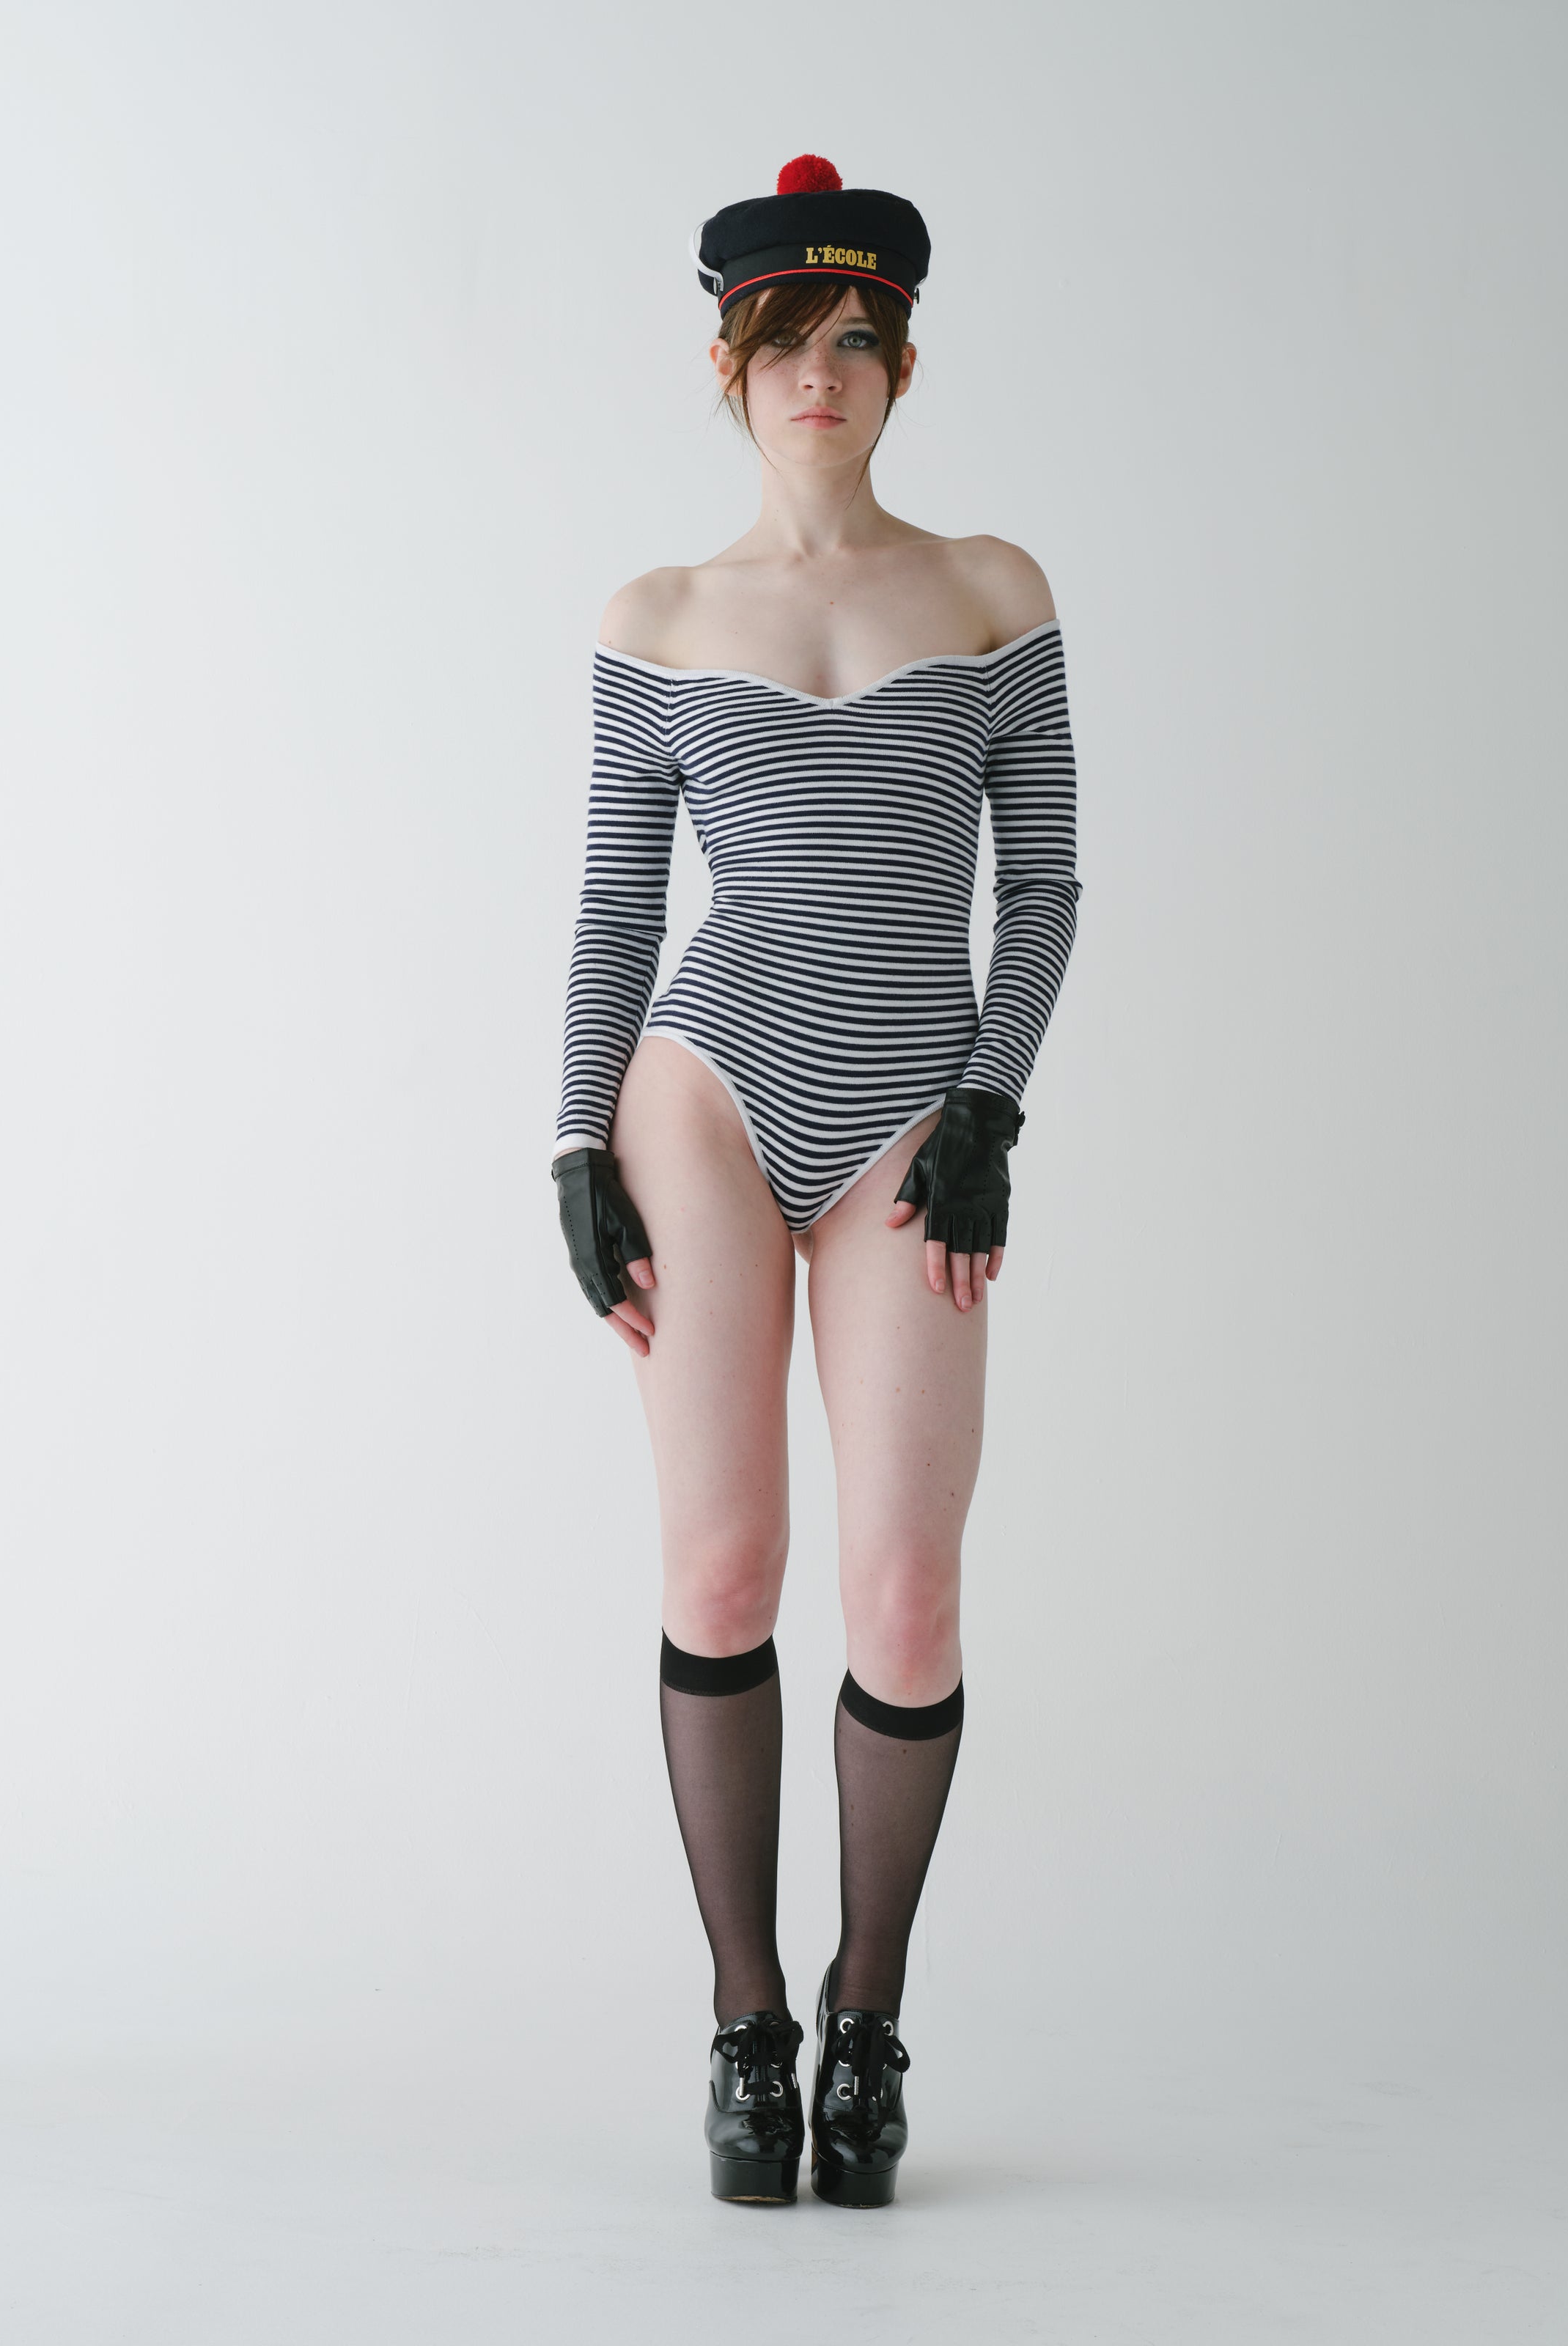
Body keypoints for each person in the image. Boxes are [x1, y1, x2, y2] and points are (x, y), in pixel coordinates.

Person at [551, 155, 1081, 2208]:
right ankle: (746, 2023)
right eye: (785, 343)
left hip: (903, 1126)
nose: (823, 375)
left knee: (910, 1591)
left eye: (859, 341)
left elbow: (1042, 885)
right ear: (730, 366)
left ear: (903, 365)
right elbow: (619, 910)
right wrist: (574, 1139)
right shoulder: (660, 620)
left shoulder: (991, 589)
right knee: (719, 1570)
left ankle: (870, 2018)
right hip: (703, 1096)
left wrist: (991, 1109)